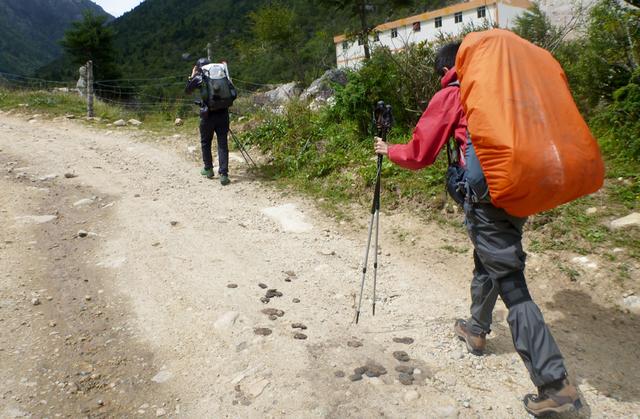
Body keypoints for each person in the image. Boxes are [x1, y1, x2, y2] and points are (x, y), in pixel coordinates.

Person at [373, 42, 581, 416]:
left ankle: (555, 385)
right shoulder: (511, 91)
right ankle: (476, 328)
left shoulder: (456, 91)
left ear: (446, 69)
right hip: (523, 190)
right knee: (490, 255)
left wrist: (388, 150)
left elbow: (421, 153)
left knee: (511, 280)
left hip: (487, 199)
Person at [185, 58, 231, 185]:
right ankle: (224, 175)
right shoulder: (221, 74)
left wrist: (192, 75)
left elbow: (188, 90)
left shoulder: (199, 77)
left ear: (199, 68)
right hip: (223, 113)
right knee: (222, 143)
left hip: (207, 115)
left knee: (206, 142)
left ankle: (208, 169)